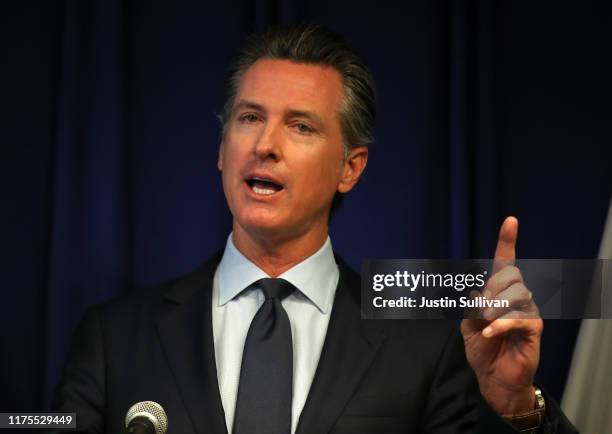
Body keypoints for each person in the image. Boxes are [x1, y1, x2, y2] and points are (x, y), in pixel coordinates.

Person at [51, 25, 578, 433]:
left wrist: (512, 406)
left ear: (351, 168)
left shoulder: (423, 346)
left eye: (300, 126)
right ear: (220, 150)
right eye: (250, 117)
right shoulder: (114, 338)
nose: (265, 145)